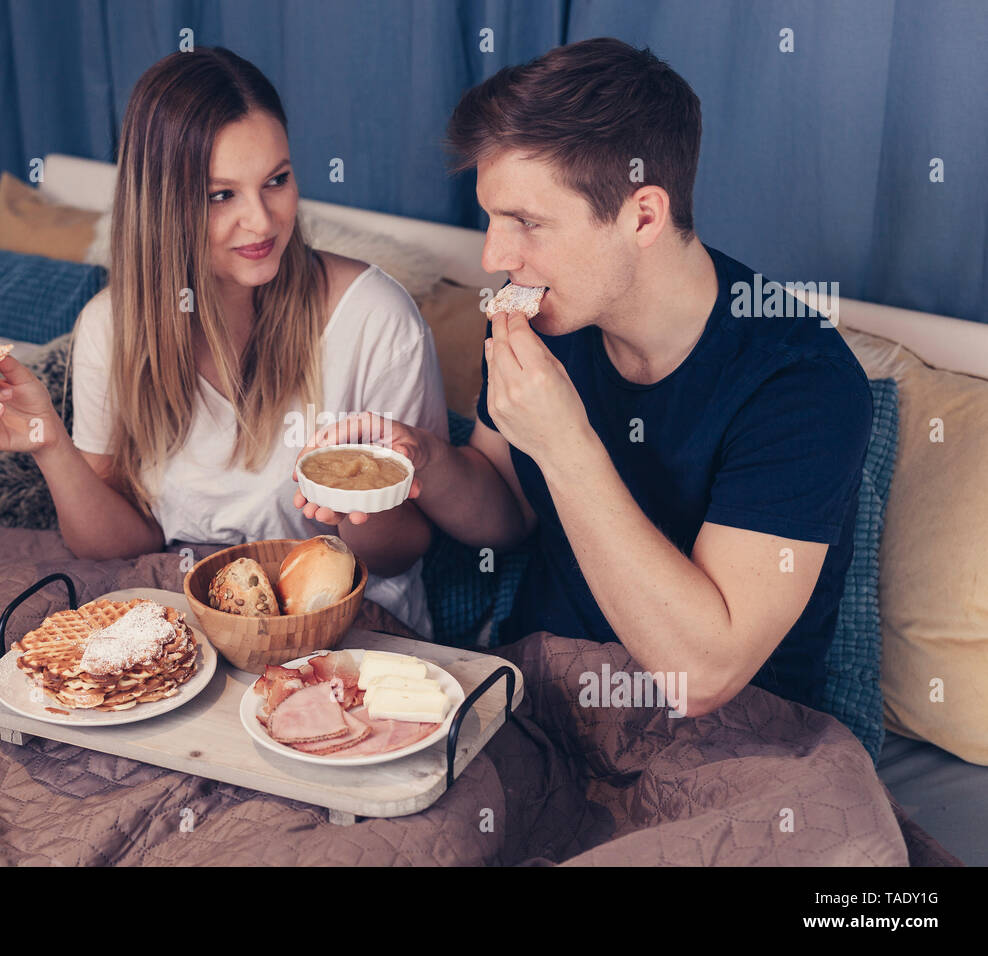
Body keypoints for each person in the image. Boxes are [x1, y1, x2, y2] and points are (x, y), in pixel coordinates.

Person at [295, 38, 872, 715]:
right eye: (491, 219)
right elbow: (508, 512)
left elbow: (705, 673)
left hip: (732, 744)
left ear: (643, 215)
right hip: (544, 695)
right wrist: (426, 463)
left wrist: (566, 444)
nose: (493, 255)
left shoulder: (803, 384)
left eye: (526, 223)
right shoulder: (542, 318)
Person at [0, 47, 448, 638]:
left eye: (277, 181)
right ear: (161, 205)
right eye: (221, 196)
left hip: (347, 628)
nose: (262, 222)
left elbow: (404, 552)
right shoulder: (110, 327)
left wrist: (353, 509)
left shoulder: (375, 316)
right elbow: (119, 546)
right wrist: (49, 445)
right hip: (186, 622)